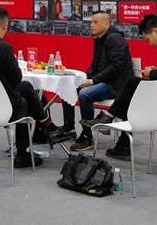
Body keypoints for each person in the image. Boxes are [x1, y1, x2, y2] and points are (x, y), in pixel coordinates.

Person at [0, 7, 72, 167]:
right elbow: (16, 79)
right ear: (5, 25)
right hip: (1, 109)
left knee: (26, 87)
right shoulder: (3, 49)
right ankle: (24, 152)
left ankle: (48, 126)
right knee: (26, 99)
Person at [81, 15, 157, 159]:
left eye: (148, 39)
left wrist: (151, 73)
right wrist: (156, 71)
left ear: (155, 31)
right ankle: (121, 141)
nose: (150, 44)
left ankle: (109, 119)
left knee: (132, 84)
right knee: (132, 92)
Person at [49, 12, 133, 151]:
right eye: (91, 22)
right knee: (67, 87)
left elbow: (116, 67)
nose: (92, 25)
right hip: (103, 81)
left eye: (95, 22)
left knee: (85, 94)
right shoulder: (99, 39)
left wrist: (93, 81)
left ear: (106, 24)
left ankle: (87, 136)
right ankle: (69, 128)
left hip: (116, 85)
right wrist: (83, 78)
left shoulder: (115, 39)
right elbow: (95, 66)